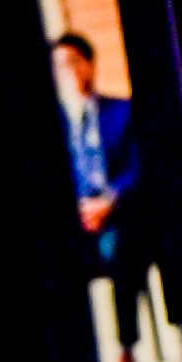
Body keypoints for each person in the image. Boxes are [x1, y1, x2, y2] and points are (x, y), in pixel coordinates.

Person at [52, 33, 140, 268]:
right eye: (59, 66)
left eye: (73, 61)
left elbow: (137, 165)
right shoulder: (53, 125)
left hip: (116, 211)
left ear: (89, 64)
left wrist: (109, 201)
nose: (67, 71)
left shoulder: (123, 111)